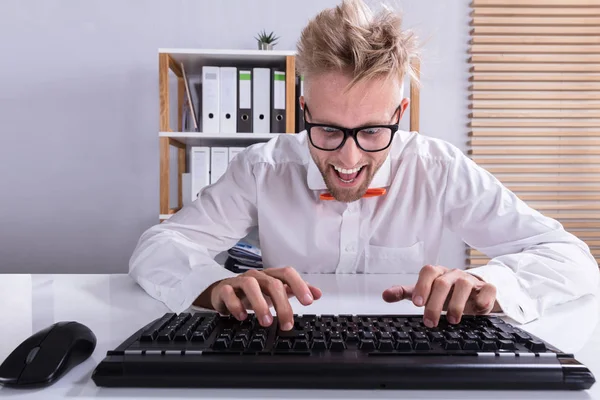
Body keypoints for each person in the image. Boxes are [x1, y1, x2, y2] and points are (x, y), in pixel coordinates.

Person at [129, 0, 598, 331]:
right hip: (284, 355)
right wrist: (214, 287)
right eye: (329, 130)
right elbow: (158, 246)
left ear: (398, 115)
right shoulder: (262, 167)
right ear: (304, 109)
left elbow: (572, 260)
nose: (348, 161)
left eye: (372, 132)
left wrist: (488, 281)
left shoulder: (439, 167)